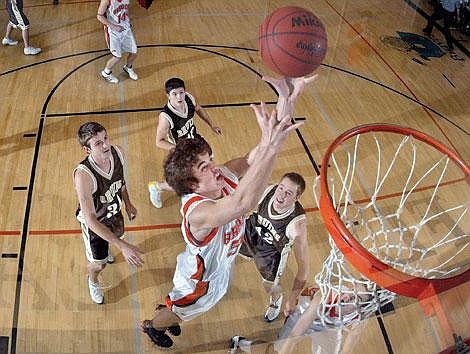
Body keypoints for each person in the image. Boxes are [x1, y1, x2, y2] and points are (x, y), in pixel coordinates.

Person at [141, 74, 318, 349]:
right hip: (200, 282)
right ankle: (153, 325)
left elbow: (258, 154)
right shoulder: (196, 211)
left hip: (221, 266)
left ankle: (170, 309)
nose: (215, 167)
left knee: (181, 306)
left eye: (209, 160)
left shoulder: (221, 176)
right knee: (180, 311)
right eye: (204, 167)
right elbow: (242, 204)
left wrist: (285, 100)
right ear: (192, 185)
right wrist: (272, 143)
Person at [73, 122, 143, 304]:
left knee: (115, 237)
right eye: (97, 143)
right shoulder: (83, 176)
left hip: (114, 213)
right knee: (99, 263)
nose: (105, 145)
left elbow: (121, 181)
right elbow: (90, 219)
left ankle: (109, 245)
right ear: (86, 149)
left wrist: (128, 203)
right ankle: (93, 281)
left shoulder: (118, 152)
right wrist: (122, 246)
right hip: (95, 225)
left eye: (105, 138)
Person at [239, 172, 309, 322]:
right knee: (227, 240)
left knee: (270, 285)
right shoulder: (267, 191)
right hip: (253, 230)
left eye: (289, 193)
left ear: (296, 198)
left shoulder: (297, 226)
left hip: (271, 252)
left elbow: (304, 269)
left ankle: (276, 299)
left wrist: (293, 298)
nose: (281, 196)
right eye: (281, 188)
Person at [229, 284, 371, 354]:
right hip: (303, 314)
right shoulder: (326, 295)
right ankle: (240, 343)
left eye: (355, 298)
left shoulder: (363, 313)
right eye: (351, 291)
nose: (347, 297)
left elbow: (353, 336)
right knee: (275, 351)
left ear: (361, 307)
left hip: (329, 326)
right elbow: (295, 334)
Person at [148, 77, 223, 208]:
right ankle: (157, 186)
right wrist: (179, 150)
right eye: (174, 94)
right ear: (168, 96)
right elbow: (159, 141)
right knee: (185, 181)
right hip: (183, 150)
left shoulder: (188, 98)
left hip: (196, 141)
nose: (179, 97)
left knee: (208, 163)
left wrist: (212, 125)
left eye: (181, 92)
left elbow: (198, 109)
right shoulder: (166, 116)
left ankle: (211, 187)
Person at [97, 0, 138, 83]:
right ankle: (106, 73)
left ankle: (128, 67)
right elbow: (99, 16)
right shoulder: (107, 0)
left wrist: (127, 20)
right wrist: (114, 26)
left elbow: (124, 10)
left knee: (134, 52)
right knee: (117, 57)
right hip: (113, 31)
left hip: (125, 27)